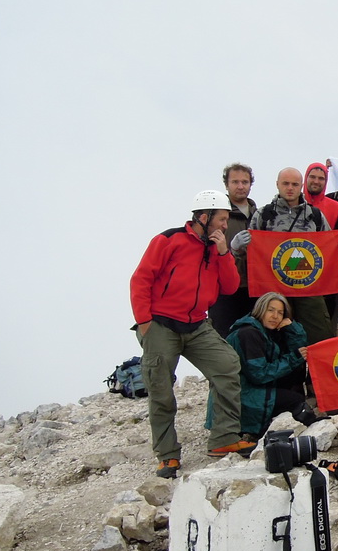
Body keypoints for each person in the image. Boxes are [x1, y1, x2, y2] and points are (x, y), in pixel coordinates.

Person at [130, 190, 254, 478]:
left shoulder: (216, 248)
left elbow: (230, 286)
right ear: (204, 216)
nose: (225, 225)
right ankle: (167, 455)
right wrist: (144, 322)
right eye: (222, 219)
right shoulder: (169, 240)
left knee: (227, 365)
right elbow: (141, 279)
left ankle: (223, 438)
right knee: (161, 390)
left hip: (197, 324)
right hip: (160, 324)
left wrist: (224, 252)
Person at [231, 168, 334, 347]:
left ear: (301, 187)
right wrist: (237, 248)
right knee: (273, 340)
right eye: (285, 183)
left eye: (295, 184)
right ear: (277, 184)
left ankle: (313, 375)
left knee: (319, 337)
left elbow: (328, 251)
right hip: (273, 289)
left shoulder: (314, 216)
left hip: (308, 288)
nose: (290, 188)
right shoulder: (263, 215)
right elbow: (251, 254)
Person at [208, 292, 311, 443]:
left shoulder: (264, 332)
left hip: (251, 388)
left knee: (295, 374)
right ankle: (259, 430)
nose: (275, 316)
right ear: (260, 309)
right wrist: (293, 358)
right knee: (295, 400)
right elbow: (259, 374)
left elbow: (299, 348)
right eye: (271, 310)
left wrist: (291, 327)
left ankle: (281, 426)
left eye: (280, 313)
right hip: (242, 395)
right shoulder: (248, 334)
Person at [209, 163, 258, 338]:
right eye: (235, 182)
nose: (240, 186)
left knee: (252, 339)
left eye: (245, 182)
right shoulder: (215, 215)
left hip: (254, 289)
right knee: (224, 340)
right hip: (224, 290)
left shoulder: (260, 214)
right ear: (226, 184)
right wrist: (231, 249)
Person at [303, 162, 338, 230]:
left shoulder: (336, 208)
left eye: (321, 178)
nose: (316, 181)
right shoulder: (293, 204)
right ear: (306, 178)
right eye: (312, 177)